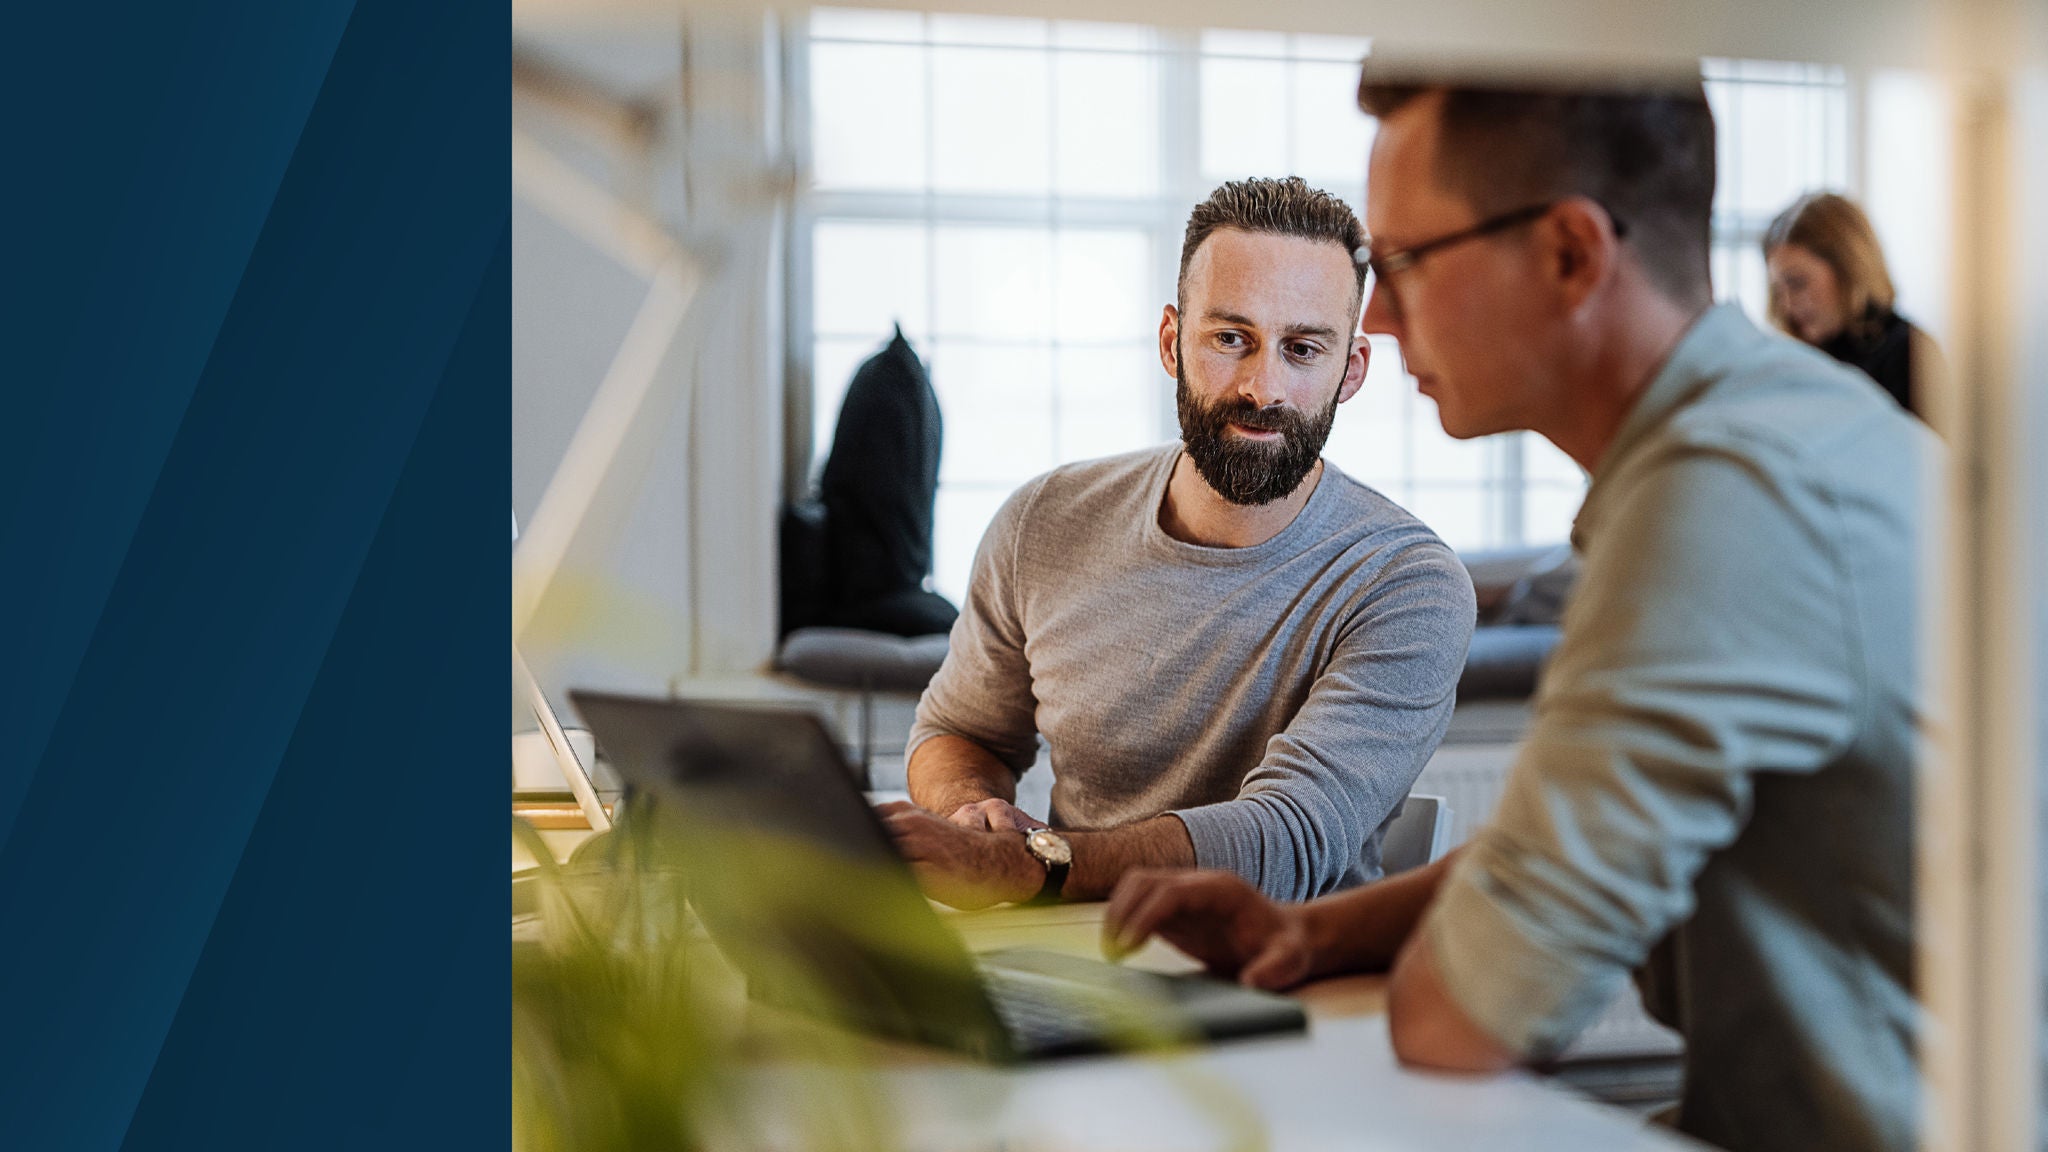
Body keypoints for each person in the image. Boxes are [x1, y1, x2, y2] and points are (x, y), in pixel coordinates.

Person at [1105, 69, 1934, 1152]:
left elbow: (1462, 1020)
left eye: (1400, 264)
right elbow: (1549, 857)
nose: (1380, 320)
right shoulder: (1789, 431)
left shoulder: (1723, 503)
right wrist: (1310, 933)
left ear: (1569, 256)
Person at [878, 177, 1476, 913]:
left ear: (1349, 371)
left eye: (1302, 349)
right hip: (1068, 957)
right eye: (1232, 339)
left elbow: (1287, 839)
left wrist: (1028, 865)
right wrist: (971, 811)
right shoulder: (1044, 521)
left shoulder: (1408, 584)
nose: (1263, 387)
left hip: (1278, 983)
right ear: (1171, 342)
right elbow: (960, 731)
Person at [1764, 191, 1938, 418]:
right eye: (1778, 291)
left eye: (1797, 283)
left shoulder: (1910, 354)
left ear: (1847, 269)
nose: (1787, 305)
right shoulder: (1796, 359)